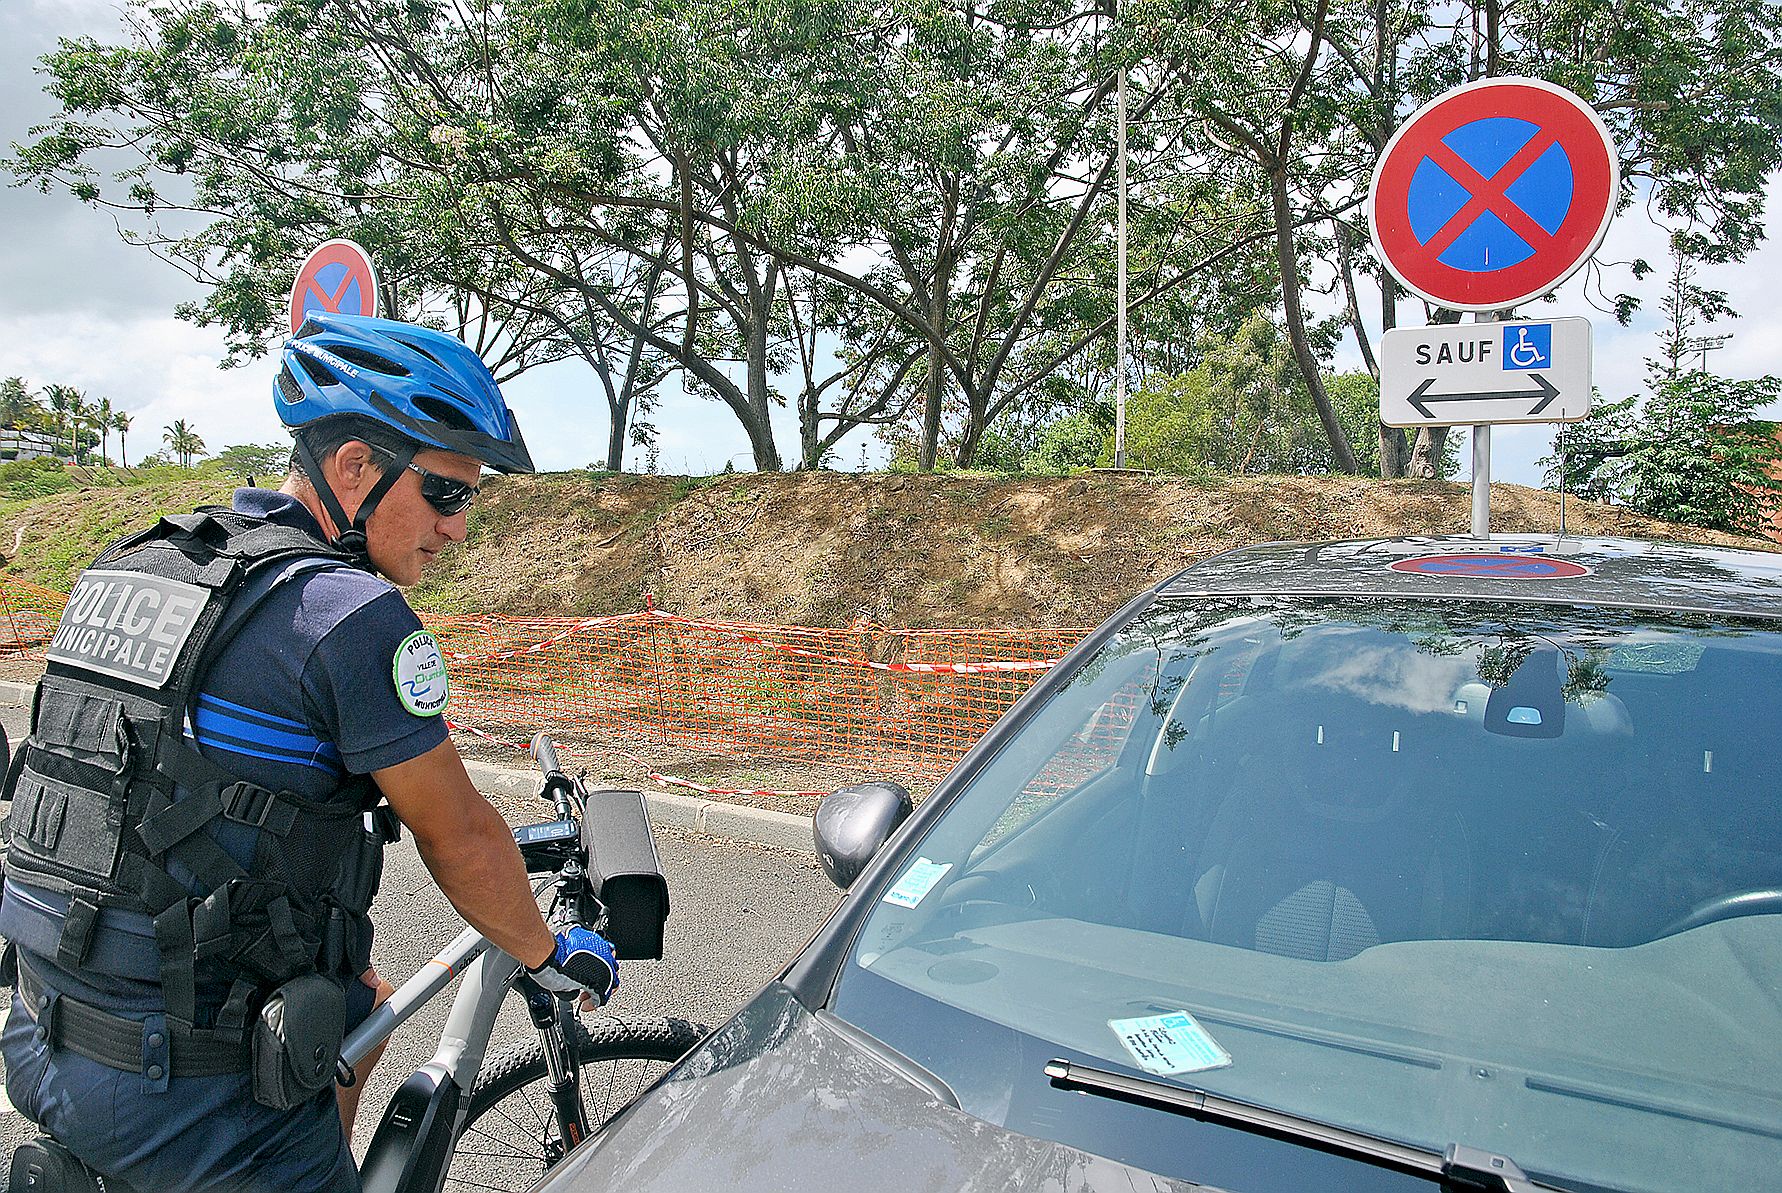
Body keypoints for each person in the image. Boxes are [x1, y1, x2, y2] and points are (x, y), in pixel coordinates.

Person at [0, 312, 617, 1192]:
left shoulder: (141, 562)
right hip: (186, 1101)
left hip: (43, 1022)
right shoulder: (349, 615)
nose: (458, 528)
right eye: (444, 492)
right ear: (355, 466)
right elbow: (461, 837)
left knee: (361, 998)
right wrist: (550, 955)